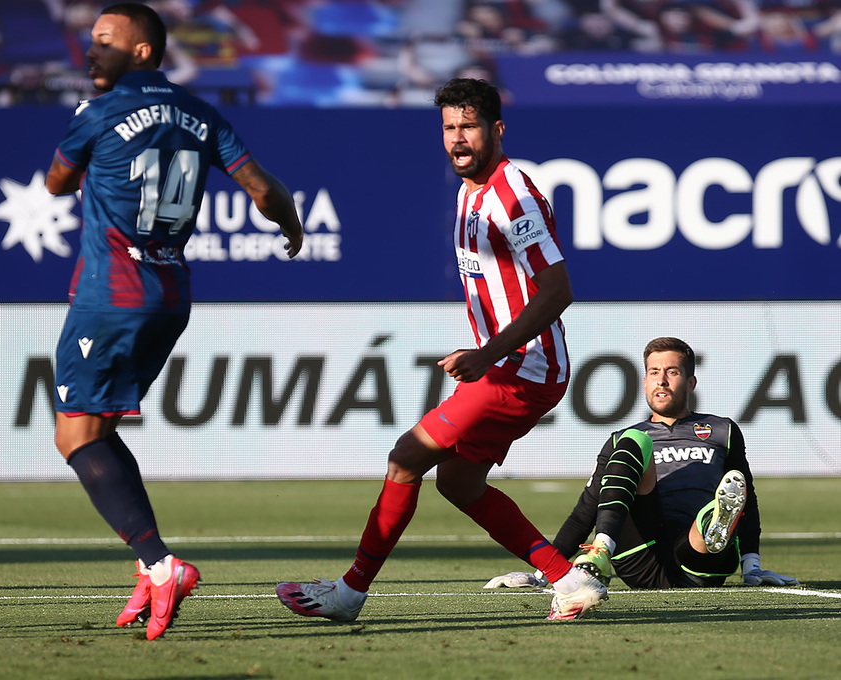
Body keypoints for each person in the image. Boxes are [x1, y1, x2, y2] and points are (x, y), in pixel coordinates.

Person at [276, 77, 607, 624]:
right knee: (457, 482)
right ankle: (569, 580)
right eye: (449, 127)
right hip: (509, 366)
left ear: (497, 130)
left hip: (522, 369)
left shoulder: (513, 195)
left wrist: (488, 353)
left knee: (405, 458)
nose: (457, 138)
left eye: (469, 126)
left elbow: (558, 290)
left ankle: (350, 592)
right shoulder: (468, 190)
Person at [44, 3, 304, 641]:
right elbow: (262, 189)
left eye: (105, 40)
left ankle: (161, 565)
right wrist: (291, 222)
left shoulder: (98, 112)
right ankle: (149, 565)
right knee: (97, 428)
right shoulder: (201, 114)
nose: (91, 49)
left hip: (110, 294)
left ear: (141, 51)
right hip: (170, 294)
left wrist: (90, 164)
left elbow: (56, 182)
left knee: (74, 436)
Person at [486, 337, 797, 592]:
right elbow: (585, 511)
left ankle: (712, 525)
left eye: (672, 372)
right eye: (654, 372)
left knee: (715, 512)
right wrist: (544, 573)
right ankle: (601, 551)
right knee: (635, 441)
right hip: (641, 557)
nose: (662, 380)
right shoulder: (622, 440)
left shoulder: (723, 430)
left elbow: (747, 500)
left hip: (699, 559)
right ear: (645, 381)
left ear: (690, 382)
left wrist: (752, 567)